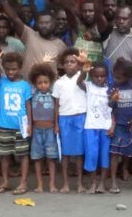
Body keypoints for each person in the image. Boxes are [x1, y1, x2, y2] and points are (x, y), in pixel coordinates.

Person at [0, 0, 67, 77]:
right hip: (26, 86)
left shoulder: (61, 45)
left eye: (47, 23)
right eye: (41, 23)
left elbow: (62, 70)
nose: (44, 25)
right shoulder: (29, 35)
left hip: (47, 89)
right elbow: (15, 19)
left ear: (54, 24)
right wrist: (4, 0)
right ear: (37, 24)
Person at [0, 50, 32, 195]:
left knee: (23, 155)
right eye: (7, 69)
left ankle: (23, 182)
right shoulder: (1, 81)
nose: (10, 72)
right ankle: (5, 181)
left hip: (20, 126)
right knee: (5, 155)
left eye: (14, 69)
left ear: (20, 67)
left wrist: (29, 125)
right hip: (3, 124)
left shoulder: (25, 86)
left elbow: (28, 106)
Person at [53, 48, 88, 193]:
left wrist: (84, 66)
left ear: (78, 64)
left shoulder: (84, 77)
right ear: (62, 65)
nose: (69, 64)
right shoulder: (59, 83)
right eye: (66, 62)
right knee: (66, 154)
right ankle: (66, 184)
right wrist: (56, 123)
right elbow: (56, 105)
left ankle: (80, 184)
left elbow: (84, 83)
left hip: (80, 117)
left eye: (73, 62)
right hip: (64, 118)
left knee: (79, 154)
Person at [78, 55, 114, 193]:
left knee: (104, 157)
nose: (100, 79)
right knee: (91, 155)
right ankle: (93, 183)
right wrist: (83, 70)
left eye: (103, 76)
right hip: (91, 127)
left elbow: (112, 108)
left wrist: (112, 126)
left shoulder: (110, 89)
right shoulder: (88, 86)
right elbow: (78, 82)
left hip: (105, 127)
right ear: (91, 76)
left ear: (106, 76)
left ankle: (102, 184)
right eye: (96, 76)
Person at [108, 59, 132, 194]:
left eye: (119, 77)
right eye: (114, 76)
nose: (116, 79)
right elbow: (109, 107)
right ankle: (113, 182)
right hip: (119, 125)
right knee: (114, 154)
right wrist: (113, 99)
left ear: (129, 76)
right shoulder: (112, 86)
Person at [27, 63, 60, 193]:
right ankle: (39, 184)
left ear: (50, 82)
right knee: (37, 158)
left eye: (46, 82)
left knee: (51, 158)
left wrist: (57, 125)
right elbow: (29, 108)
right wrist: (29, 125)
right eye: (39, 82)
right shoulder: (32, 92)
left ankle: (52, 184)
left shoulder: (53, 93)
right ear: (35, 83)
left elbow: (57, 109)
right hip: (36, 130)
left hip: (50, 129)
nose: (43, 85)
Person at [104, 6, 132, 70]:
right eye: (118, 18)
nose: (121, 21)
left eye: (125, 19)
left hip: (128, 79)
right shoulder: (108, 33)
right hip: (105, 77)